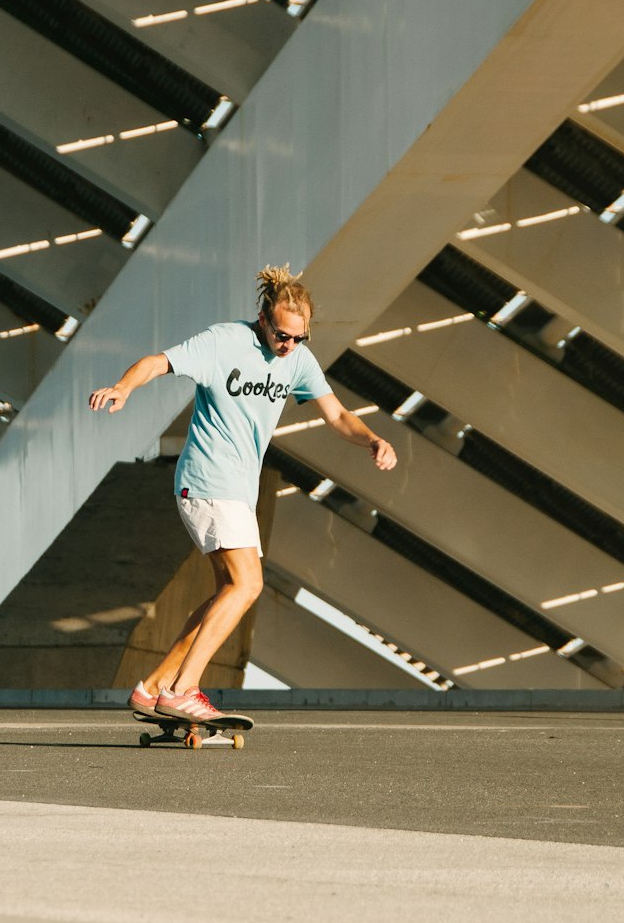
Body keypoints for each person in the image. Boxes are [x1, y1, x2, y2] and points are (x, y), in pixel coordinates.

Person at [88, 265, 397, 731]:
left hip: (235, 491)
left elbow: (336, 415)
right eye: (281, 335)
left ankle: (153, 687)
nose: (288, 345)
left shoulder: (297, 360)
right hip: (209, 480)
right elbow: (158, 362)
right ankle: (183, 691)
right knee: (248, 584)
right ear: (263, 318)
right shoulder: (224, 341)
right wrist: (123, 387)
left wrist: (372, 439)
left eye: (299, 338)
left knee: (226, 592)